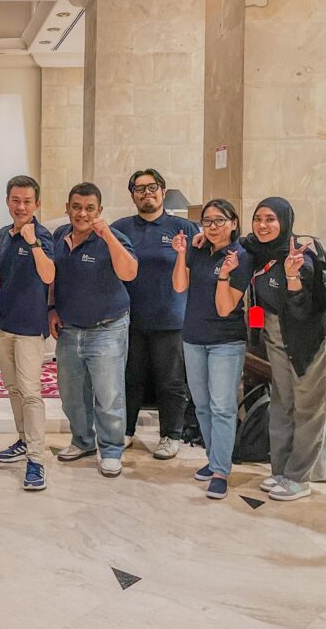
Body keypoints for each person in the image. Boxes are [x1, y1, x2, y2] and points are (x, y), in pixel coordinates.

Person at [242, 198, 326, 502]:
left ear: (284, 221)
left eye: (271, 219)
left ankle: (299, 477)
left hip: (306, 339)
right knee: (282, 404)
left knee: (308, 407)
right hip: (275, 337)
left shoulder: (300, 256)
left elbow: (304, 308)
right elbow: (237, 240)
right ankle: (280, 470)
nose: (263, 225)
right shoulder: (258, 250)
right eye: (258, 218)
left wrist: (292, 276)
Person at [49, 183, 138, 479]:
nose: (82, 214)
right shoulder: (60, 236)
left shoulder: (114, 237)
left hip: (107, 329)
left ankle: (111, 450)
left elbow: (129, 272)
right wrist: (51, 308)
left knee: (108, 395)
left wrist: (108, 236)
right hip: (69, 329)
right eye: (76, 207)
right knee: (71, 394)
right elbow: (53, 277)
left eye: (89, 208)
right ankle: (83, 441)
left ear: (99, 211)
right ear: (67, 208)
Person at [113, 169, 199, 461]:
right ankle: (125, 431)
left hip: (171, 319)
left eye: (152, 187)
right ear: (133, 196)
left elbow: (198, 269)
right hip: (129, 318)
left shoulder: (184, 228)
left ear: (163, 191)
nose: (146, 193)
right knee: (130, 378)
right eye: (139, 189)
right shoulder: (121, 228)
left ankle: (171, 435)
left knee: (171, 381)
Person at [172, 198, 253, 500]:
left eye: (220, 220)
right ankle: (213, 458)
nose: (213, 226)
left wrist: (224, 274)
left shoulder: (240, 256)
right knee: (202, 405)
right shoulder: (198, 249)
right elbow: (179, 286)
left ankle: (221, 471)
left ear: (233, 223)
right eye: (207, 221)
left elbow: (224, 308)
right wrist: (182, 254)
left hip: (226, 341)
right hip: (194, 336)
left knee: (222, 407)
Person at [0, 175, 54, 491]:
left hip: (30, 328)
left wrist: (33, 243)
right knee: (13, 388)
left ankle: (36, 460)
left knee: (30, 393)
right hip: (5, 324)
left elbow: (49, 275)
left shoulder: (43, 236)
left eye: (27, 201)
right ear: (7, 202)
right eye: (16, 200)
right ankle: (23, 440)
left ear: (36, 204)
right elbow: (2, 273)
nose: (21, 206)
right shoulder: (4, 234)